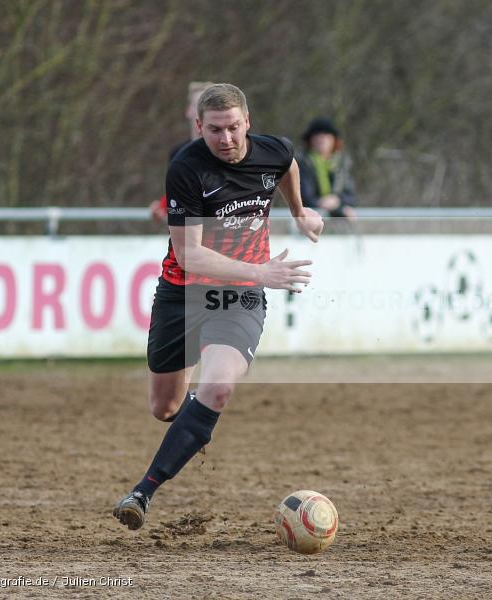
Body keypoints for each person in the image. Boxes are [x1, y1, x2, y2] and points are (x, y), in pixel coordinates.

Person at [113, 83, 324, 530]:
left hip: (239, 298)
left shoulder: (274, 150)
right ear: (198, 127)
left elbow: (286, 165)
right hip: (182, 292)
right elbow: (189, 256)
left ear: (248, 122)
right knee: (164, 409)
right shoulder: (186, 168)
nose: (225, 139)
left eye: (233, 128)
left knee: (219, 387)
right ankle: (193, 410)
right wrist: (262, 272)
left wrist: (300, 211)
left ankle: (142, 492)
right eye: (214, 130)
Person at [149, 81, 214, 223]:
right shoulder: (178, 153)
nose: (202, 110)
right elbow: (179, 192)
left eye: (208, 105)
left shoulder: (225, 150)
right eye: (198, 105)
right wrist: (162, 207)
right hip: (189, 235)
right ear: (188, 110)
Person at [296, 117, 358, 220]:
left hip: (338, 227)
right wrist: (335, 207)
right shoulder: (302, 163)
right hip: (310, 221)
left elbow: (351, 196)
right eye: (317, 136)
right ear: (310, 140)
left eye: (326, 136)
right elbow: (304, 198)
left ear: (334, 140)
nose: (322, 139)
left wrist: (337, 200)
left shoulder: (342, 164)